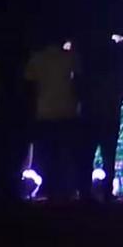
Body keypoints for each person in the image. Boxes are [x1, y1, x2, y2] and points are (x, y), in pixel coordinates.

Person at [78, 33, 123, 201]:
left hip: (91, 117)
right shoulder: (113, 77)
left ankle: (85, 192)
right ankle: (106, 192)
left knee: (87, 157)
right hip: (108, 118)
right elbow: (120, 91)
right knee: (108, 157)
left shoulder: (90, 77)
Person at [24, 38, 81, 201]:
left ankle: (50, 188)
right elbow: (77, 81)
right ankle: (63, 189)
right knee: (63, 152)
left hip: (44, 111)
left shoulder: (37, 58)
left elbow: (30, 86)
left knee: (47, 153)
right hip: (66, 110)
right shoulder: (69, 58)